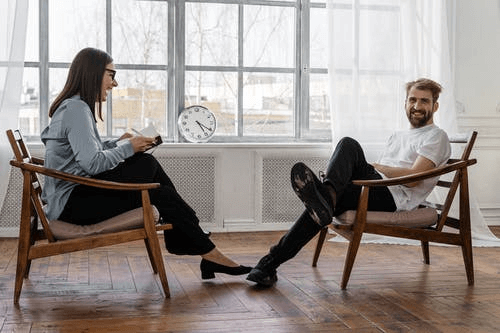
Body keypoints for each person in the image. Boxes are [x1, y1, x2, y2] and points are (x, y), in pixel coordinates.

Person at [41, 47, 251, 279]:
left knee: (158, 188)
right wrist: (129, 148)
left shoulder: (74, 107)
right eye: (111, 74)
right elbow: (92, 164)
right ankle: (199, 240)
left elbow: (83, 155)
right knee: (146, 165)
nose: (115, 83)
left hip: (74, 196)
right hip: (73, 206)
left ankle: (205, 251)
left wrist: (116, 143)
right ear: (94, 73)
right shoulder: (76, 109)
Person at [246, 78, 451, 286]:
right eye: (412, 100)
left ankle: (325, 195)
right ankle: (267, 266)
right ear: (405, 103)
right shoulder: (398, 135)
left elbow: (414, 180)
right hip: (375, 188)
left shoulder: (436, 136)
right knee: (323, 205)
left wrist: (378, 167)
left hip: (393, 198)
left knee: (348, 145)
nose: (417, 106)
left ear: (435, 106)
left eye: (424, 101)